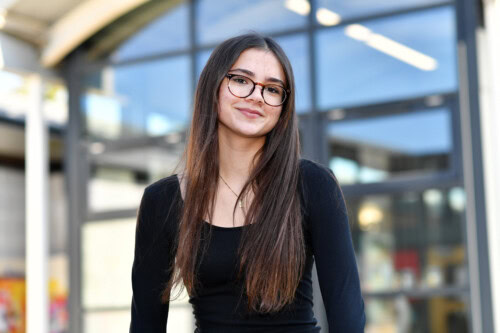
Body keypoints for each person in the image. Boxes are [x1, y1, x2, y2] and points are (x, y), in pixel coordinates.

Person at [129, 33, 365, 332]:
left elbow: (348, 317)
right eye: (241, 80)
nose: (256, 95)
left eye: (272, 88)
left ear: (282, 107)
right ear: (213, 87)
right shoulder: (162, 200)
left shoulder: (312, 185)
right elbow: (144, 324)